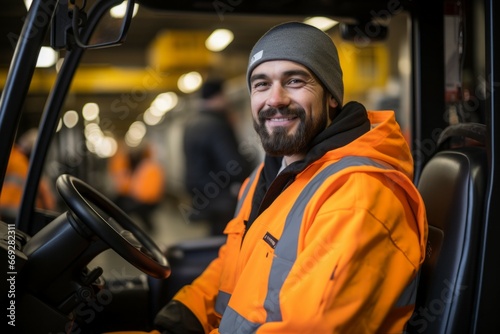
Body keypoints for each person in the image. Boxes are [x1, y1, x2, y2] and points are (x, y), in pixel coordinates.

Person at [113, 21, 428, 333]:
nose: (274, 99)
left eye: (294, 81)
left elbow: (310, 326)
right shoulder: (265, 177)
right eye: (261, 84)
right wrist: (185, 316)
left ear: (332, 96)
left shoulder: (357, 196)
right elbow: (232, 265)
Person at [183, 79, 253, 235]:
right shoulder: (217, 124)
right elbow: (232, 164)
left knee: (215, 237)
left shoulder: (190, 124)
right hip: (221, 196)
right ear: (218, 96)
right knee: (228, 239)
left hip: (201, 195)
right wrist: (250, 168)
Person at [108, 140, 165, 232]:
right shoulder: (144, 166)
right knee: (117, 200)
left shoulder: (150, 167)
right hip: (140, 197)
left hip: (147, 200)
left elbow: (148, 192)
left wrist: (133, 195)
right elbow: (134, 185)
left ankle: (124, 229)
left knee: (125, 207)